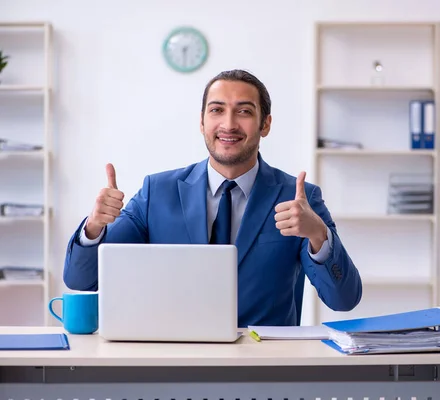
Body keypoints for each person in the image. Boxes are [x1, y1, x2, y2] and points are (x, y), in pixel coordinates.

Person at [63, 69, 362, 327]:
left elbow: (344, 299)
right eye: (217, 110)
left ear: (265, 124)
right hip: (174, 363)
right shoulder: (158, 192)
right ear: (202, 122)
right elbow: (83, 281)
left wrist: (317, 235)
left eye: (244, 111)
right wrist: (93, 227)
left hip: (265, 368)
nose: (229, 124)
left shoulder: (300, 198)